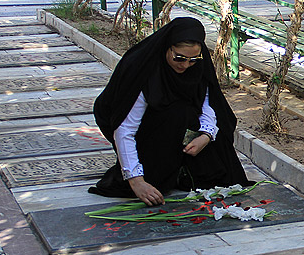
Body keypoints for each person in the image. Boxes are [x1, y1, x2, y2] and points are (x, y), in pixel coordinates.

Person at [89, 16, 250, 206]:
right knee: (176, 113)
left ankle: (185, 171)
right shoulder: (145, 70)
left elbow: (208, 103)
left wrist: (206, 135)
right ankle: (161, 170)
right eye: (179, 58)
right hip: (149, 130)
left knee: (217, 124)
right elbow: (125, 129)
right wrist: (136, 181)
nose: (185, 65)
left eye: (193, 60)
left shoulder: (197, 66)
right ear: (168, 47)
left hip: (179, 127)